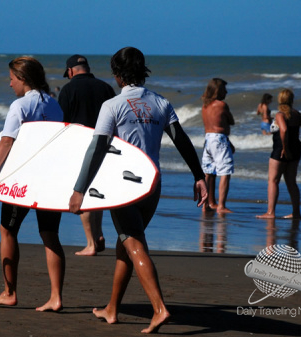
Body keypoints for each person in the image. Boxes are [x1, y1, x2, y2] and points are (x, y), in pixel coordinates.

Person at [68, 47, 208, 334]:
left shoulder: (113, 105)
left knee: (133, 243)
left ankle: (159, 309)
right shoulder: (161, 102)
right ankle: (112, 308)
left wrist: (80, 189)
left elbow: (97, 148)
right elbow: (181, 140)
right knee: (126, 244)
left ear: (118, 76)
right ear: (143, 71)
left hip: (122, 186)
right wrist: (199, 176)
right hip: (153, 184)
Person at [0, 56, 65, 312]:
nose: (10, 85)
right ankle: (55, 297)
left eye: (11, 79)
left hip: (23, 180)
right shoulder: (55, 105)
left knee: (8, 231)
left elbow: (7, 141)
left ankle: (9, 293)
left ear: (22, 79)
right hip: (50, 179)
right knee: (50, 234)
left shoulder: (19, 106)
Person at [58, 54, 116, 256]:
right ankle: (99, 235)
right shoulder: (106, 88)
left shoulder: (68, 89)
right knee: (97, 191)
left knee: (81, 190)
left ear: (71, 71)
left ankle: (90, 243)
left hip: (79, 146)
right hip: (105, 145)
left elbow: (61, 124)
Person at [256, 89, 301, 219]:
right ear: (291, 100)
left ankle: (270, 212)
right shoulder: (297, 114)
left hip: (280, 150)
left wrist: (284, 147)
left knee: (273, 180)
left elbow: (284, 129)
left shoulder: (280, 114)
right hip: (295, 151)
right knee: (291, 182)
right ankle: (296, 212)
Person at [201, 78, 235, 213]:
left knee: (209, 171)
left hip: (208, 139)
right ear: (218, 91)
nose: (226, 92)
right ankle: (221, 205)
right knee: (225, 171)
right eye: (224, 89)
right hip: (219, 138)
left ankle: (207, 203)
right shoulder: (221, 105)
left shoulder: (205, 106)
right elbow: (231, 121)